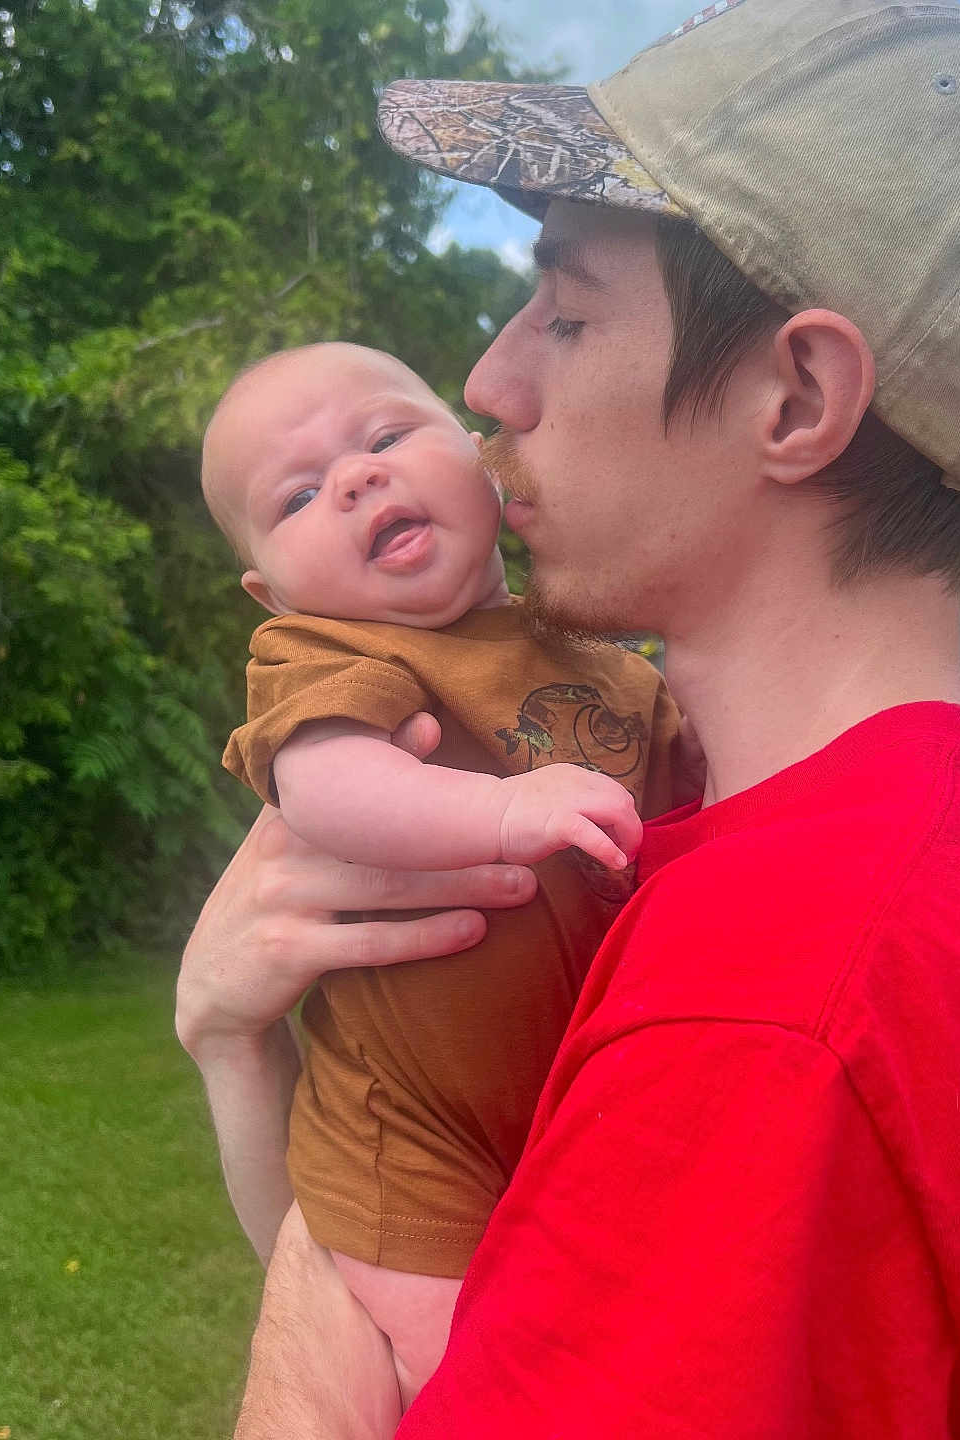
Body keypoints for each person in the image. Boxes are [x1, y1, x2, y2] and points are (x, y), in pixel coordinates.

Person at [176, 0, 960, 1434]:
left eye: (568, 313)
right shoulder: (911, 866)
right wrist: (231, 1048)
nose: (489, 384)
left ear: (795, 396)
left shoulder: (768, 1015)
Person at [198, 341, 684, 1405]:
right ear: (266, 589)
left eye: (383, 437)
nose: (357, 479)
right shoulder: (327, 655)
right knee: (468, 1382)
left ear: (479, 458)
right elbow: (328, 789)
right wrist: (507, 808)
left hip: (585, 1103)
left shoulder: (612, 666)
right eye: (297, 496)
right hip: (408, 1138)